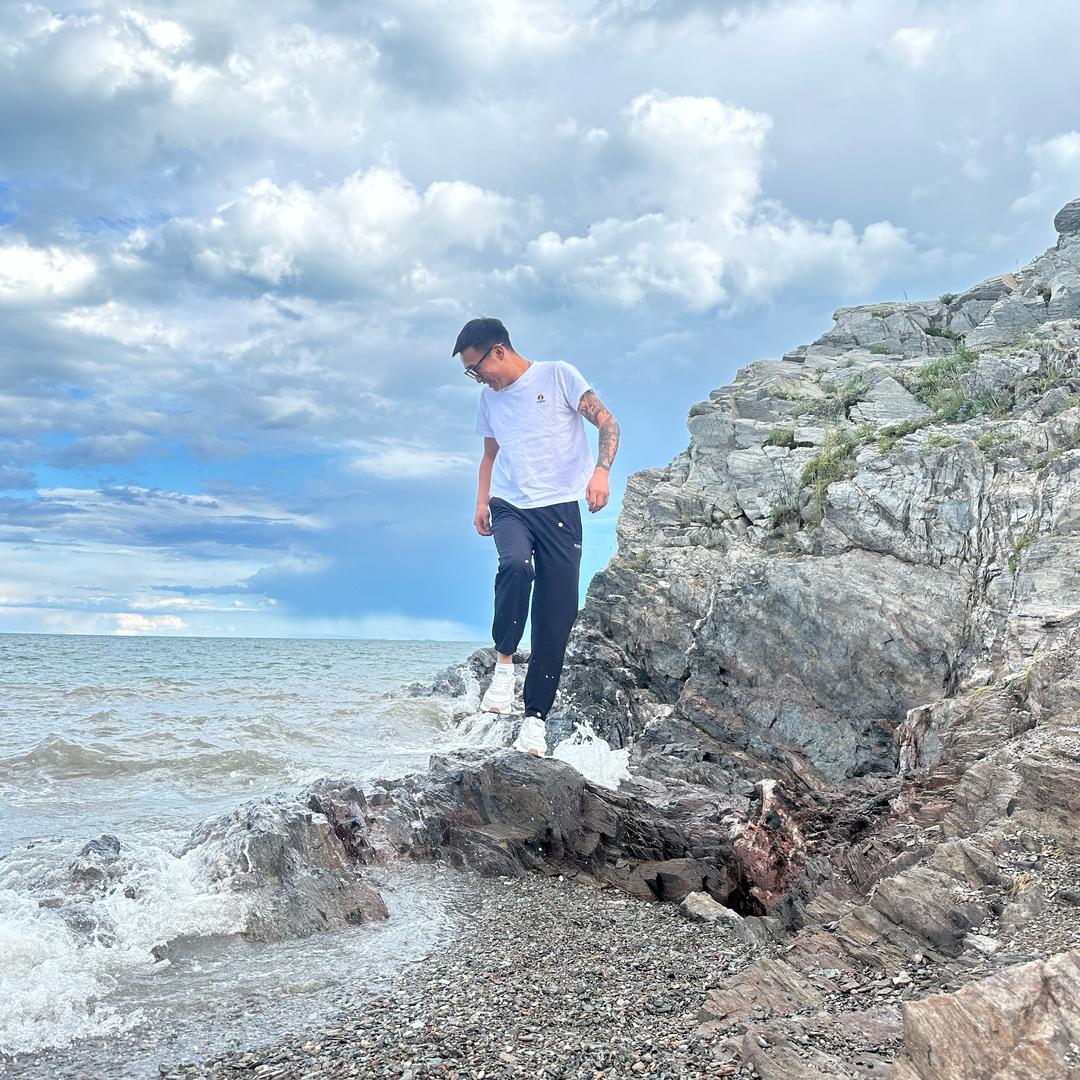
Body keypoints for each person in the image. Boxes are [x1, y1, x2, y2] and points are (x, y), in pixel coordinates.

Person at [453, 317, 620, 755]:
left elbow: (608, 424)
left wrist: (601, 471)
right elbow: (489, 456)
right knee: (514, 565)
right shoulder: (488, 401)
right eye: (470, 372)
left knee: (556, 617)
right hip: (510, 505)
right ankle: (504, 665)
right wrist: (480, 502)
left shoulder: (559, 375)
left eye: (476, 367)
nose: (477, 377)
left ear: (499, 352)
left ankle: (534, 722)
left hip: (561, 509)